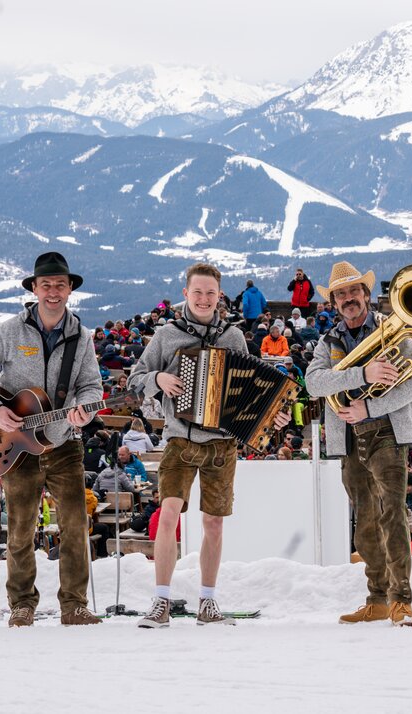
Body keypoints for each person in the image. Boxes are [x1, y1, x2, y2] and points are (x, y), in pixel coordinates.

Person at [129, 263, 289, 629]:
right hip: (181, 439)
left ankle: (208, 601)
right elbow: (137, 377)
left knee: (214, 523)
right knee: (168, 516)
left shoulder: (232, 337)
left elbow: (253, 388)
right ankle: (161, 601)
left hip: (222, 444)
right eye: (197, 292)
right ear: (186, 294)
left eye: (210, 293)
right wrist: (159, 378)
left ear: (220, 297)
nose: (203, 299)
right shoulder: (167, 335)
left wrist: (271, 416)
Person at [0, 252, 102, 626]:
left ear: (70, 289)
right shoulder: (10, 331)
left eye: (60, 285)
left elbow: (90, 386)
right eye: (46, 285)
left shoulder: (80, 337)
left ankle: (74, 605)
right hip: (15, 447)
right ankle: (22, 603)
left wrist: (85, 409)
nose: (53, 292)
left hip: (63, 444)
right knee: (21, 528)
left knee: (75, 525)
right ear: (34, 289)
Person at [304, 260, 412, 627]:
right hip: (349, 437)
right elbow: (314, 385)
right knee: (365, 521)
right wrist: (362, 374)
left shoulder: (394, 332)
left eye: (353, 292)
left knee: (392, 513)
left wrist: (370, 405)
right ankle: (376, 598)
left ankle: (401, 600)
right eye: (340, 295)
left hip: (387, 430)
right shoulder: (328, 342)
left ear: (366, 295)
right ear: (334, 302)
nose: (347, 299)